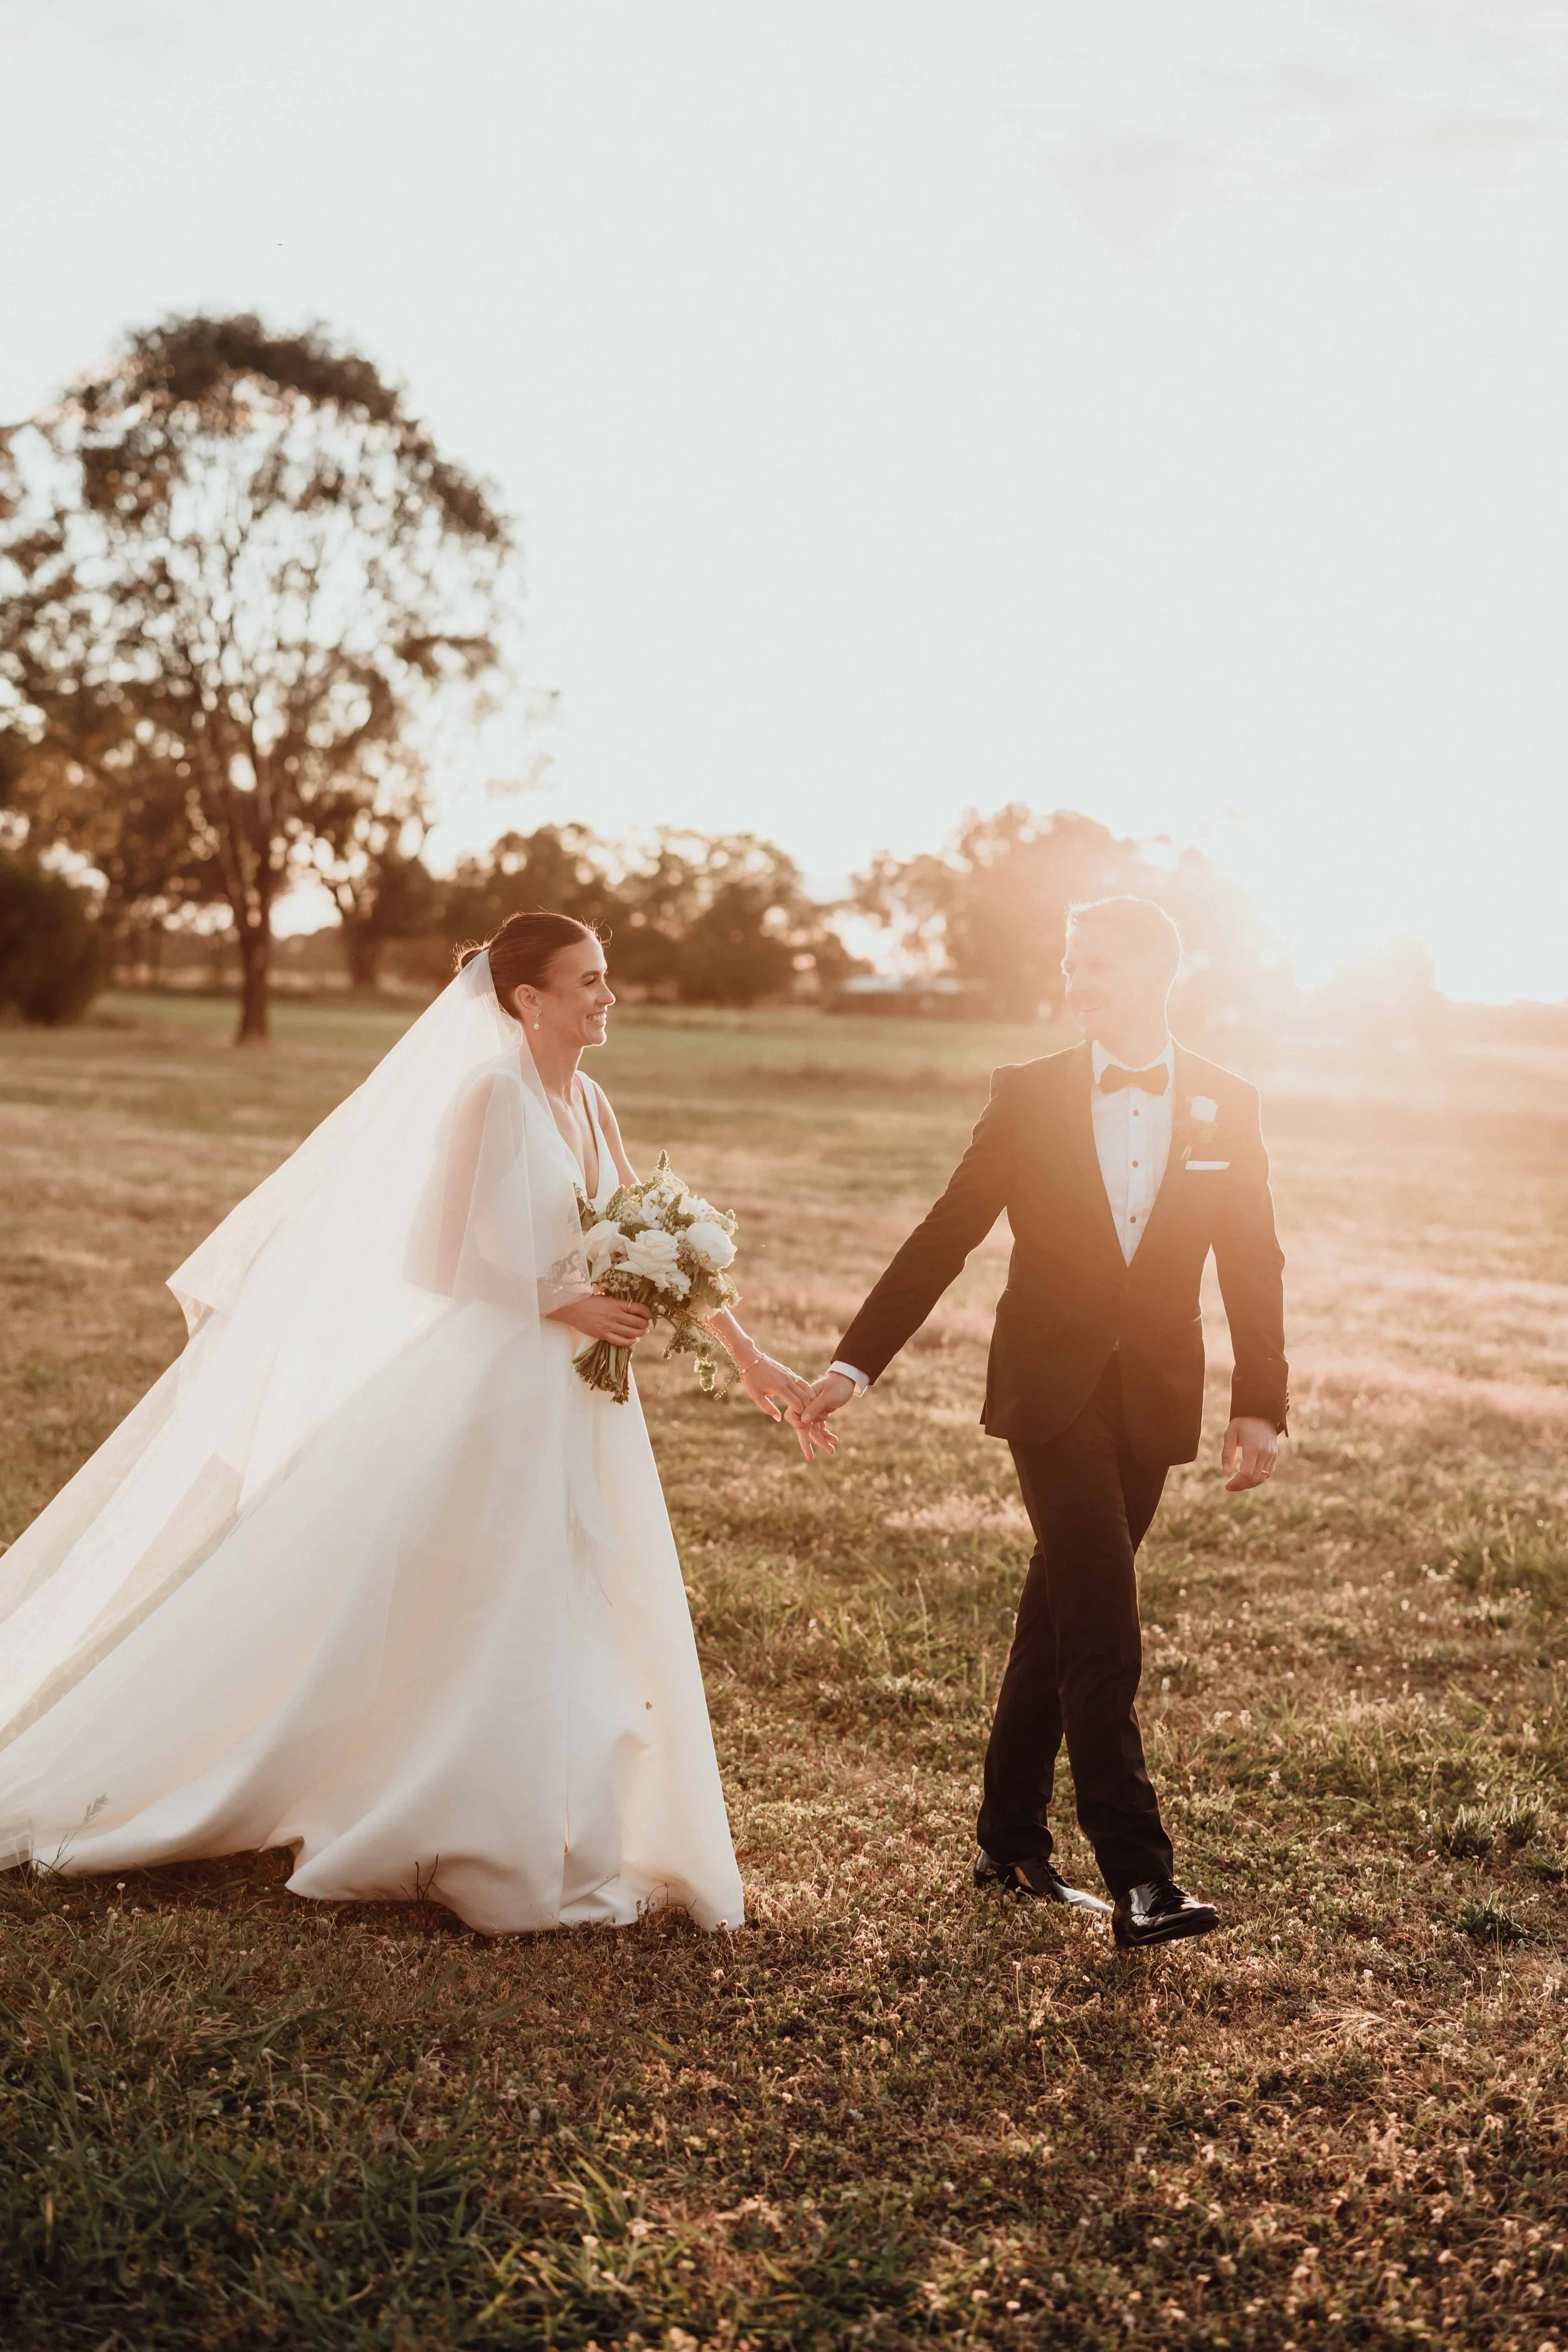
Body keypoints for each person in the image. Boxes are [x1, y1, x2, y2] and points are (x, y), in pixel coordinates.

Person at [0, 913, 823, 1936]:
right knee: (483, 1596)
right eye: (588, 981)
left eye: (608, 978)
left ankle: (566, 1817)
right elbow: (431, 1260)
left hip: (585, 1399)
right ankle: (460, 1816)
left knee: (580, 1594)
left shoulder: (597, 1101)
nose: (607, 996)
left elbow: (665, 1245)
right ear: (527, 998)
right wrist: (558, 1301)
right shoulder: (488, 1096)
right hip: (500, 1387)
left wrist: (751, 1357)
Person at [795, 896, 1287, 1949]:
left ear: (1162, 967)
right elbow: (945, 1235)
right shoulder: (1027, 1096)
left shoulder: (1226, 1100)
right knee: (1103, 1616)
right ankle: (1141, 1879)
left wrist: (1260, 1399)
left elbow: (1253, 1256)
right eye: (1072, 962)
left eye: (1100, 961)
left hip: (1154, 1395)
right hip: (1048, 1394)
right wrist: (853, 1364)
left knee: (1059, 1619)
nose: (1079, 980)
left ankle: (1007, 1840)